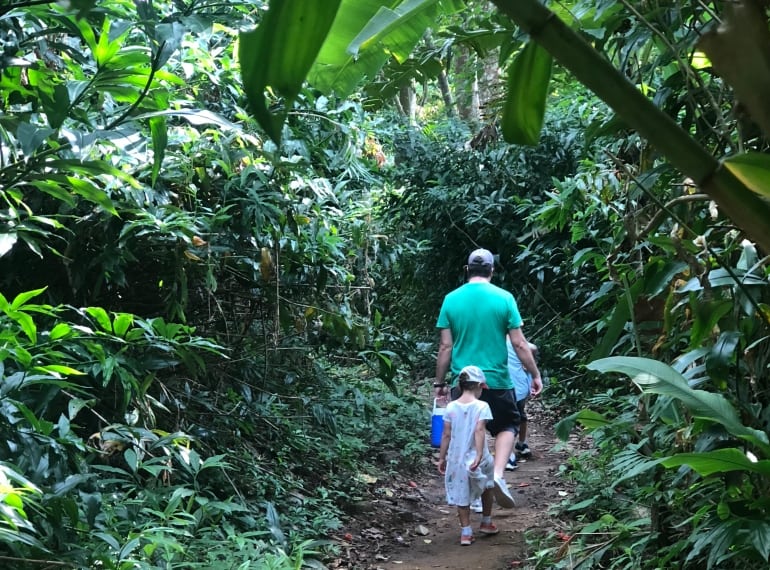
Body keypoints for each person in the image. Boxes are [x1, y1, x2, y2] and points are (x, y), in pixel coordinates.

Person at [434, 248, 542, 509]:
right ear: (492, 270)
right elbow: (519, 344)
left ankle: (473, 496)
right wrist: (534, 374)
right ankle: (497, 475)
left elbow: (445, 347)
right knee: (508, 426)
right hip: (497, 380)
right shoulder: (504, 298)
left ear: (467, 269)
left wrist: (439, 383)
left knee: (468, 435)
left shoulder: (450, 299)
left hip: (464, 381)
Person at [436, 365, 498, 545]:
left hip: (457, 457)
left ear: (460, 385)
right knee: (487, 486)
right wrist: (479, 454)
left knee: (462, 491)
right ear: (479, 385)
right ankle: (486, 522)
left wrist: (441, 458)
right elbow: (479, 430)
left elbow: (446, 434)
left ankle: (466, 532)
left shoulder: (450, 407)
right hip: (479, 456)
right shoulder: (482, 406)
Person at [505, 339, 538, 471]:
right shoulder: (516, 341)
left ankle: (509, 453)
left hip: (512, 385)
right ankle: (521, 444)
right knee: (519, 415)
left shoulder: (506, 341)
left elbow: (533, 347)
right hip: (519, 385)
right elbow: (533, 347)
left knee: (509, 420)